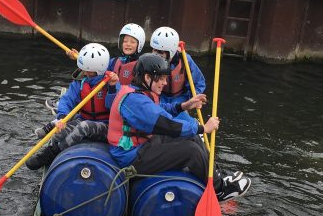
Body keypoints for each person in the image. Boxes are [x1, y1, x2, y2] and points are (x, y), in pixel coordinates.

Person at [107, 53, 251, 201]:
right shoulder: (135, 101)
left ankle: (217, 178)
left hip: (141, 146)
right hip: (131, 157)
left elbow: (159, 108)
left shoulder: (138, 92)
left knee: (192, 137)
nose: (164, 83)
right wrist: (203, 128)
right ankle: (219, 191)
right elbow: (168, 124)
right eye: (161, 79)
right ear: (147, 77)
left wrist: (184, 106)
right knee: (191, 151)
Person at [27, 43, 118, 170]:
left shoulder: (110, 83)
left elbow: (113, 107)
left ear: (98, 69)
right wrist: (63, 117)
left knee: (83, 127)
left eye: (88, 69)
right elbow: (67, 99)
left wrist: (113, 87)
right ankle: (52, 148)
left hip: (106, 127)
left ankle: (51, 154)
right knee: (60, 133)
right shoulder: (81, 82)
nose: (84, 72)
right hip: (85, 118)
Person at [150, 26, 205, 124]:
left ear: (170, 51)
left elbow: (199, 82)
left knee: (181, 118)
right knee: (159, 116)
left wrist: (193, 98)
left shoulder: (185, 60)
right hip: (160, 96)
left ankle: (193, 124)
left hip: (180, 97)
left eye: (160, 52)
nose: (156, 55)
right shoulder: (149, 61)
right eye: (154, 50)